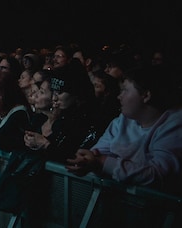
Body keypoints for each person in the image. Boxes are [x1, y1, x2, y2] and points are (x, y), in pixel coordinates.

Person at [66, 66, 182, 226]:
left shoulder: (175, 127)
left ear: (146, 95)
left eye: (125, 91)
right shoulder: (122, 121)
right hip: (113, 211)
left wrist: (102, 162)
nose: (119, 96)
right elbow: (99, 152)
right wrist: (86, 160)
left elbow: (157, 175)